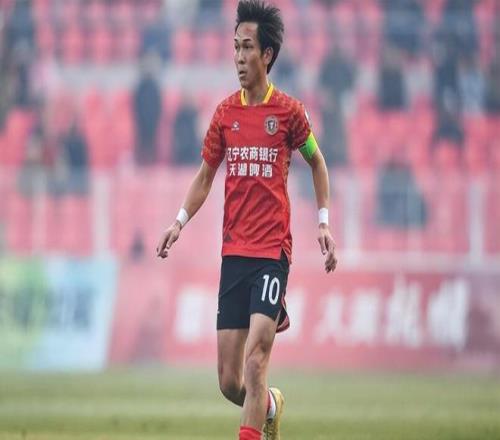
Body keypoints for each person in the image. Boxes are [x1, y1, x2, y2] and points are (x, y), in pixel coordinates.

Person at [156, 2, 337, 439]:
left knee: (256, 362)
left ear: (267, 55)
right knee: (230, 381)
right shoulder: (225, 115)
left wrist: (323, 221)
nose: (238, 57)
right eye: (235, 47)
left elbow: (316, 162)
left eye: (247, 47)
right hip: (234, 254)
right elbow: (205, 177)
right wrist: (178, 222)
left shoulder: (290, 113)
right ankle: (271, 404)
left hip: (272, 254)